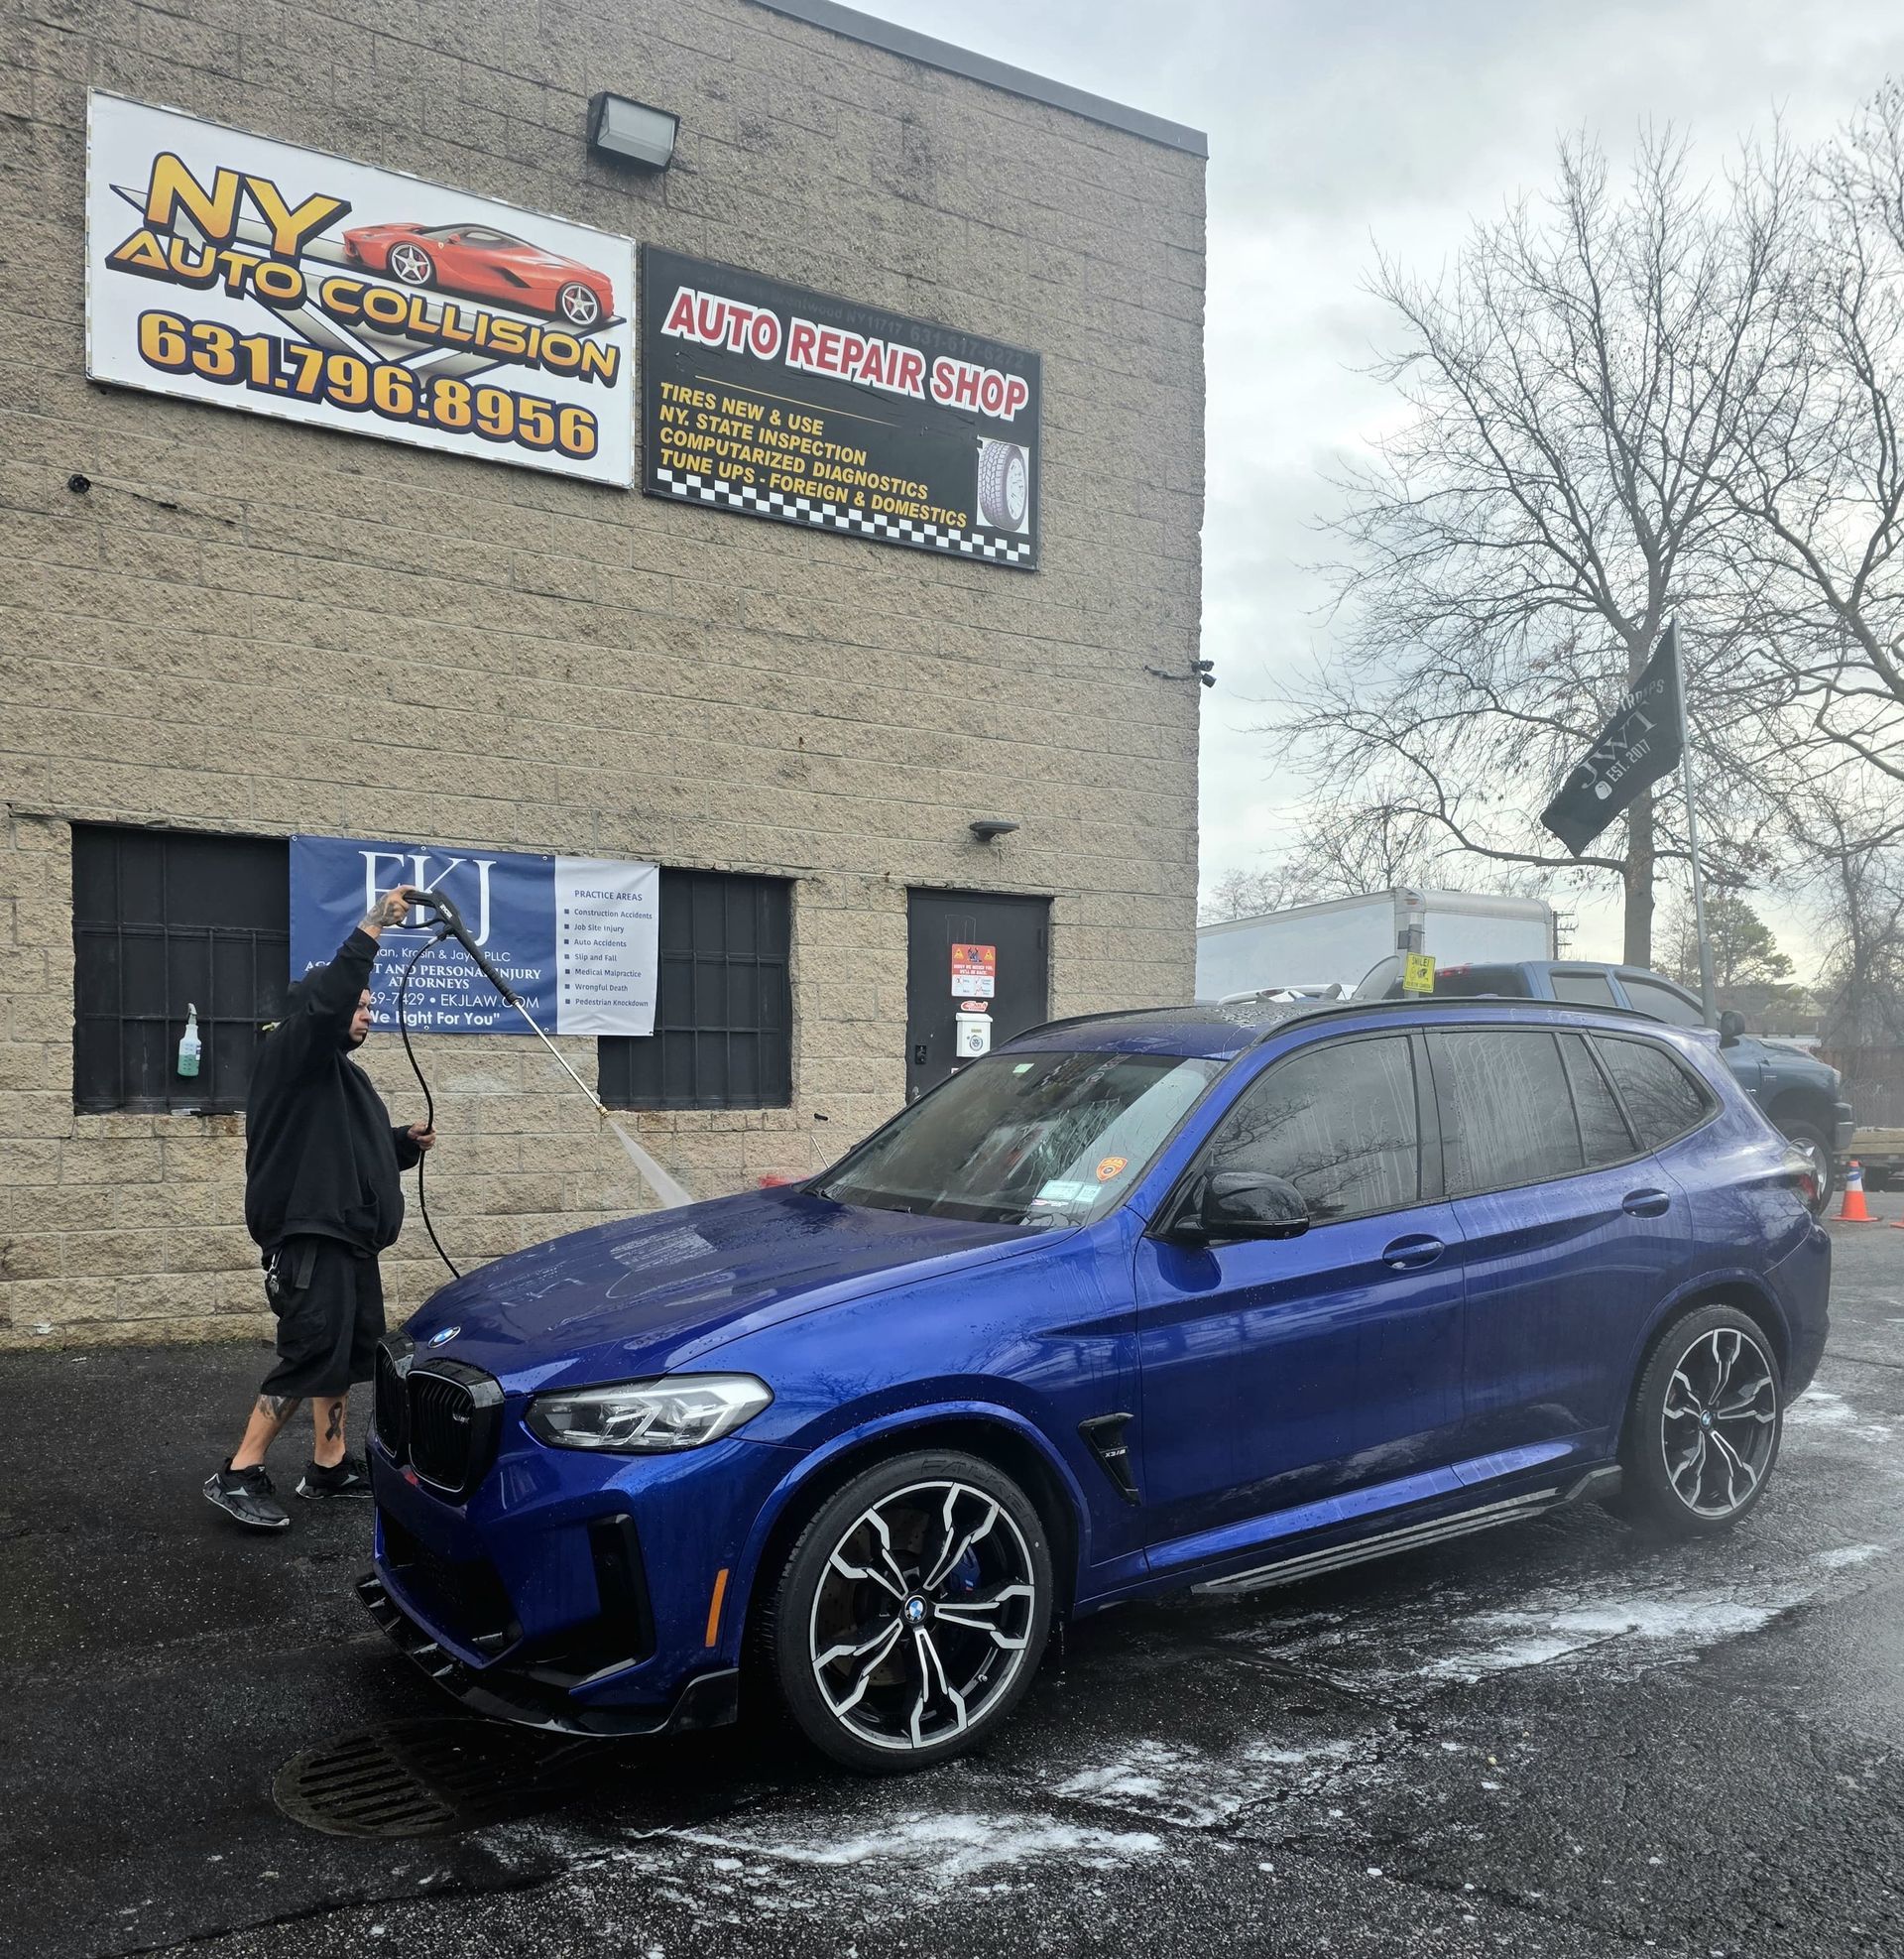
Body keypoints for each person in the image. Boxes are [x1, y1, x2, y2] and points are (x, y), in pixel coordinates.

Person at [204, 885, 437, 1531]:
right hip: (311, 1237)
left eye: (369, 1006)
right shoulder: (292, 1054)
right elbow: (331, 994)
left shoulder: (341, 1076)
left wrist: (401, 1146)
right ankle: (239, 1470)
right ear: (320, 1009)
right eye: (356, 1005)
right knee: (310, 1352)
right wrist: (373, 924)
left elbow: (352, 1151)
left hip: (349, 1237)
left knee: (344, 1353)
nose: (365, 1013)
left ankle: (327, 1463)